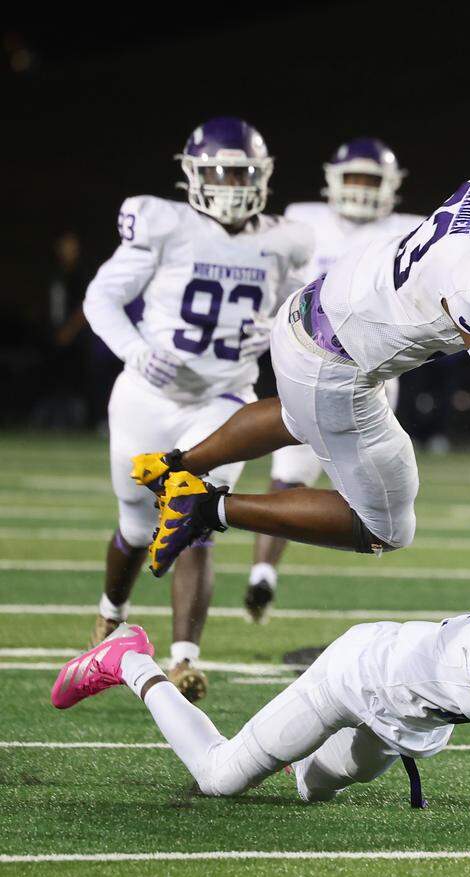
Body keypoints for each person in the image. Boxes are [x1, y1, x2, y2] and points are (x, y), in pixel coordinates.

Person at [129, 133, 470, 576]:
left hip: (312, 310)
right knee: (384, 527)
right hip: (338, 369)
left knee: (295, 415)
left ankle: (173, 465)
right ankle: (205, 507)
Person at [50, 551, 470, 832]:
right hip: (357, 678)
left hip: (414, 718)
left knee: (310, 790)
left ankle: (284, 744)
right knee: (221, 776)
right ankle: (130, 660)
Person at [82, 117, 313, 700]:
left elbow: (303, 308)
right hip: (148, 395)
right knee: (137, 525)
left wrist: (282, 331)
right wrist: (135, 350)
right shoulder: (166, 224)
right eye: (223, 169)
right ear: (194, 173)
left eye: (245, 171)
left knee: (196, 513)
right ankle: (111, 612)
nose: (234, 182)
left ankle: (184, 658)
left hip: (224, 398)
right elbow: (101, 296)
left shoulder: (285, 238)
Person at [246, 138, 423, 623]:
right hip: (309, 363)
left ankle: (363, 533)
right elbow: (274, 279)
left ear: (391, 186)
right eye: (355, 178)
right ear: (332, 180)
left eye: (371, 179)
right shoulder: (304, 223)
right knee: (290, 473)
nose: (362, 189)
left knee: (369, 493)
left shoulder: (409, 232)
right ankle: (263, 572)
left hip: (376, 374)